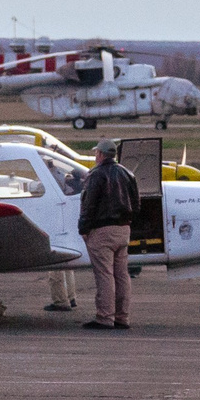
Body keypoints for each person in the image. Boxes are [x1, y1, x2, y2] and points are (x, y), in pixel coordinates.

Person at [77, 140, 139, 330]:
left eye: (96, 153)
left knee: (104, 274)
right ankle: (122, 317)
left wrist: (84, 229)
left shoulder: (96, 175)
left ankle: (105, 317)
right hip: (123, 229)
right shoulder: (128, 173)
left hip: (102, 230)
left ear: (101, 155)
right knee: (121, 274)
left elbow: (89, 205)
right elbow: (136, 204)